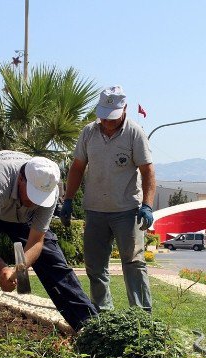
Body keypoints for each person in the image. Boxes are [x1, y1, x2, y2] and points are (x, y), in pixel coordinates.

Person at [0, 150, 98, 358]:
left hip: (18, 212)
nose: (35, 203)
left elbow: (36, 241)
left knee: (54, 264)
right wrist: (1, 270)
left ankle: (91, 328)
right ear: (20, 179)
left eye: (40, 199)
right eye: (32, 195)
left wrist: (19, 269)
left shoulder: (49, 188)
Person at [61, 85, 156, 312]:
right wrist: (68, 199)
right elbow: (77, 168)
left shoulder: (135, 133)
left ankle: (141, 315)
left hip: (127, 210)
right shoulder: (89, 132)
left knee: (133, 262)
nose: (107, 123)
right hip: (95, 210)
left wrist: (147, 206)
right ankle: (102, 313)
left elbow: (147, 171)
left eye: (112, 118)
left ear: (125, 109)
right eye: (103, 117)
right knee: (95, 266)